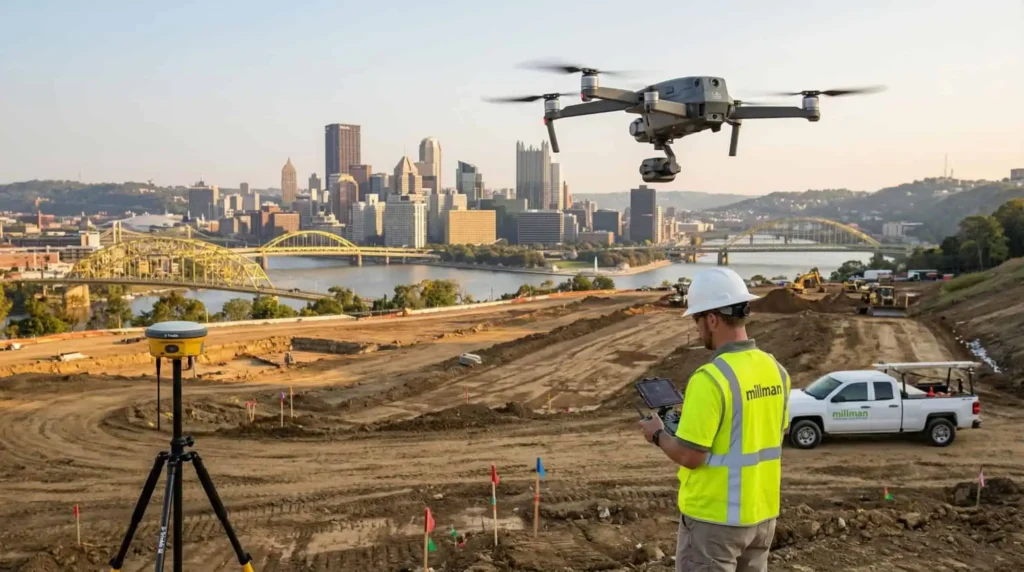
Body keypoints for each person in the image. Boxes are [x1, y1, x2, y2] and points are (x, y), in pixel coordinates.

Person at [638, 267, 790, 572]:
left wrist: (657, 434)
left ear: (711, 319)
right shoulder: (775, 369)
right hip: (761, 518)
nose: (697, 329)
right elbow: (769, 432)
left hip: (715, 522)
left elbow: (691, 455)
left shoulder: (711, 378)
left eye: (697, 320)